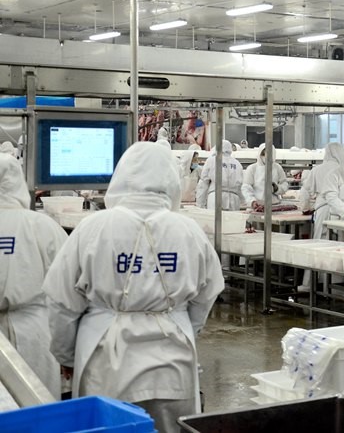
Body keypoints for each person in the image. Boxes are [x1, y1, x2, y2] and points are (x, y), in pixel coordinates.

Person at [43, 142, 224, 433]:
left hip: (106, 357)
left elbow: (61, 301)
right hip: (173, 361)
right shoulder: (188, 231)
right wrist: (180, 323)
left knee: (111, 427)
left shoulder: (94, 228)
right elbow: (208, 294)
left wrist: (66, 356)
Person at [0, 155, 66, 399]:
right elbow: (67, 289)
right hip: (34, 334)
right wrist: (67, 350)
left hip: (32, 327)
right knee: (37, 404)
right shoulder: (42, 226)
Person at [300, 143, 344, 240]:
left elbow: (305, 191)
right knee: (340, 242)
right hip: (340, 211)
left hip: (322, 210)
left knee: (321, 241)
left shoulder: (317, 170)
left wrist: (305, 208)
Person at [195, 140, 243, 211]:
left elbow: (204, 183)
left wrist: (200, 204)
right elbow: (241, 186)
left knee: (214, 217)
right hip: (233, 199)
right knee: (232, 218)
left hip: (215, 197)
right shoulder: (237, 164)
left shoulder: (212, 160)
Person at [241, 143, 287, 211]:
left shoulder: (277, 168)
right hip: (257, 207)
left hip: (274, 206)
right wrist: (252, 201)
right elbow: (246, 187)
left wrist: (277, 189)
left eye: (269, 154)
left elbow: (284, 184)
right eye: (263, 154)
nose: (265, 156)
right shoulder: (252, 168)